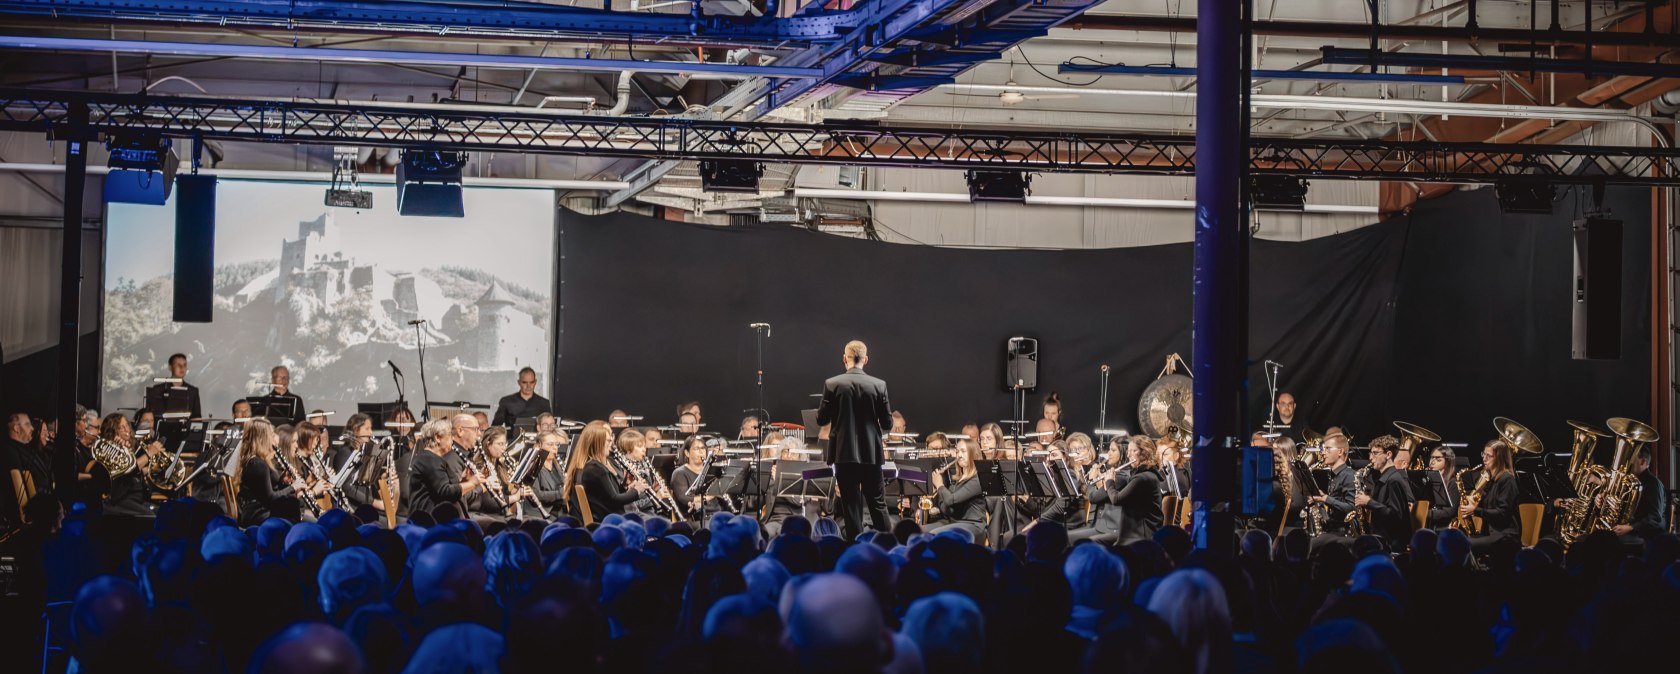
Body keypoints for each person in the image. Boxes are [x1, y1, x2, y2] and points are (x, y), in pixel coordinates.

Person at [815, 340, 894, 539]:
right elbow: (887, 425)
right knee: (878, 505)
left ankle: (855, 552)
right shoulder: (879, 385)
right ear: (865, 360)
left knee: (851, 508)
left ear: (845, 358)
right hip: (872, 454)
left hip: (844, 454)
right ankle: (889, 548)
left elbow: (821, 419)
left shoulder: (832, 384)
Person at [234, 419, 319, 526]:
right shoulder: (257, 464)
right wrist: (293, 487)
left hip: (260, 511)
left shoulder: (257, 461)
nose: (275, 438)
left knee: (295, 508)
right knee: (297, 510)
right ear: (263, 438)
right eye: (272, 434)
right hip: (257, 514)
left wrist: (282, 481)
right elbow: (270, 499)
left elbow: (265, 491)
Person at [563, 421, 647, 519]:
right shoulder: (595, 469)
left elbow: (606, 495)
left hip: (605, 518)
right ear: (598, 443)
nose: (611, 443)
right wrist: (637, 490)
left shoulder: (587, 466)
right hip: (608, 521)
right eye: (608, 440)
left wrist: (627, 487)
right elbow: (615, 500)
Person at [409, 416, 483, 518]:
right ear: (438, 438)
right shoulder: (429, 460)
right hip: (428, 520)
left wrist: (464, 480)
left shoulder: (431, 459)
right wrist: (473, 483)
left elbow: (441, 487)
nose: (453, 439)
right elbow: (445, 492)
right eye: (449, 435)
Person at [98, 412, 162, 517]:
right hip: (121, 501)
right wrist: (149, 453)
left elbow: (131, 473)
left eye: (127, 425)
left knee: (162, 513)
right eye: (121, 427)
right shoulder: (109, 450)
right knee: (152, 517)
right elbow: (129, 468)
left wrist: (149, 469)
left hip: (137, 499)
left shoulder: (129, 448)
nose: (127, 430)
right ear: (113, 431)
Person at [1353, 435, 1411, 550]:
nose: (1371, 457)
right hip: (1382, 537)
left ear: (1388, 455)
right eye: (1371, 453)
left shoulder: (1394, 480)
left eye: (1375, 453)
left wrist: (1369, 502)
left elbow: (1395, 515)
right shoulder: (1385, 478)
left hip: (1391, 542)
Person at [1461, 439, 1518, 555]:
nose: (1484, 459)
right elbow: (1487, 506)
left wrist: (1475, 510)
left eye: (1489, 456)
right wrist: (1471, 501)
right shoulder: (1490, 480)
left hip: (1505, 535)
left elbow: (1502, 513)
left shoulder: (1507, 480)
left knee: (1465, 545)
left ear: (1499, 459)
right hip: (1491, 532)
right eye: (1484, 454)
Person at [928, 439, 986, 542]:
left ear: (973, 453)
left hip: (973, 525)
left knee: (934, 535)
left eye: (963, 451)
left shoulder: (978, 479)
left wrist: (940, 485)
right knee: (921, 531)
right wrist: (937, 491)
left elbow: (950, 500)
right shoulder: (957, 480)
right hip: (954, 522)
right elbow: (947, 509)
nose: (959, 455)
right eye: (957, 451)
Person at [1614, 444, 1667, 549]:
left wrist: (1631, 528)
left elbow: (1654, 517)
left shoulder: (1653, 484)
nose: (1627, 463)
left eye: (1631, 460)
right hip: (1631, 532)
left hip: (1645, 536)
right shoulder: (1630, 482)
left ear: (1642, 462)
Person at [1309, 433, 1356, 536]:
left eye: (1328, 449)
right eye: (1323, 449)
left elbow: (1352, 508)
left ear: (1340, 452)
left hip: (1343, 533)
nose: (1323, 453)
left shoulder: (1349, 476)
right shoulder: (1333, 474)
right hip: (1333, 529)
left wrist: (1325, 499)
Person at [492, 367, 552, 431]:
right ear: (519, 382)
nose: (528, 386)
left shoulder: (544, 403)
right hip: (512, 440)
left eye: (531, 382)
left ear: (535, 382)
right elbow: (495, 427)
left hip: (537, 440)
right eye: (525, 382)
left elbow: (550, 427)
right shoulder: (506, 402)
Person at [1426, 447, 1462, 529]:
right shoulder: (1427, 480)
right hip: (1429, 524)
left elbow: (1449, 512)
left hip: (1444, 528)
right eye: (1432, 458)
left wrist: (1424, 512)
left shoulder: (1453, 483)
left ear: (1447, 462)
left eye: (1438, 459)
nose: (1432, 462)